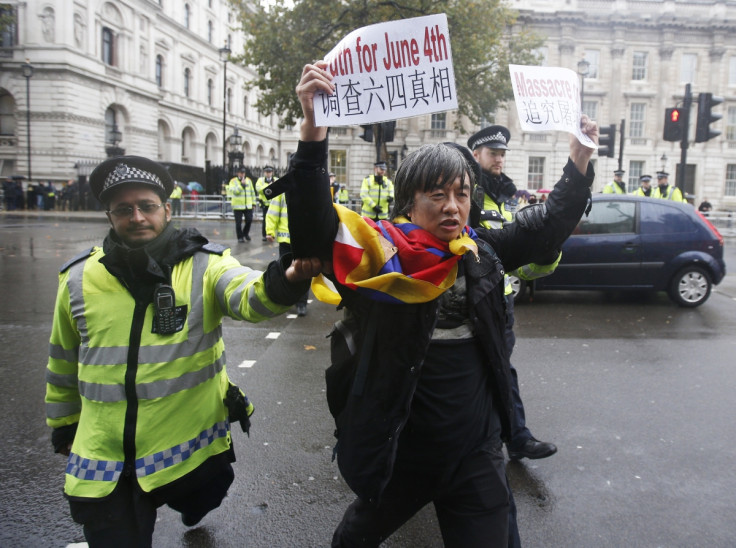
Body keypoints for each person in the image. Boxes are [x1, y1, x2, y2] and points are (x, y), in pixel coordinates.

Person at [283, 61, 598, 548]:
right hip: (401, 452)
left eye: (462, 194)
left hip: (475, 454)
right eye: (437, 194)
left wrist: (579, 159)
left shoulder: (483, 251)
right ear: (410, 203)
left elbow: (548, 224)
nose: (453, 206)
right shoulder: (375, 257)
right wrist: (313, 131)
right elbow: (311, 228)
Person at [44, 155, 320, 547]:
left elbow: (251, 299)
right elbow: (62, 361)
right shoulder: (76, 278)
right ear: (109, 216)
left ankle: (193, 503)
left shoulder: (205, 265)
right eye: (124, 209)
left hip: (187, 448)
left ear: (167, 210)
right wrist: (64, 426)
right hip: (105, 461)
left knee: (207, 496)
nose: (137, 217)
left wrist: (290, 277)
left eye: (147, 206)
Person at [467, 125, 559, 464]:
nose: (500, 159)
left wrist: (547, 252)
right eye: (494, 153)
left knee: (502, 370)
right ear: (475, 155)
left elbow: (520, 268)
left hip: (501, 303)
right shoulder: (466, 195)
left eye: (503, 153)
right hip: (468, 302)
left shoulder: (507, 199)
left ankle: (516, 438)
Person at [265, 193, 310, 317]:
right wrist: (270, 231)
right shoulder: (283, 187)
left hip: (305, 239)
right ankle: (285, 300)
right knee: (285, 272)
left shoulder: (311, 185)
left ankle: (301, 303)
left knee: (305, 271)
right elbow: (273, 211)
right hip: (286, 239)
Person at [227, 167, 255, 242]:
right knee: (238, 223)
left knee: (249, 220)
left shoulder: (248, 180)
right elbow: (234, 191)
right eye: (241, 173)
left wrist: (253, 203)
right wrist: (241, 186)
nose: (242, 174)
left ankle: (245, 233)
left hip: (248, 205)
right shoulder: (233, 181)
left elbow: (252, 192)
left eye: (243, 173)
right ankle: (240, 237)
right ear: (238, 173)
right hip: (237, 206)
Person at [255, 166, 277, 241]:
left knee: (274, 220)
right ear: (264, 173)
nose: (268, 174)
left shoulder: (276, 179)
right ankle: (265, 235)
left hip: (274, 204)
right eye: (267, 172)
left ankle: (272, 234)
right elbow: (259, 189)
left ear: (272, 172)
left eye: (269, 172)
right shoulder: (260, 180)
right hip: (265, 204)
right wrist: (268, 185)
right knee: (265, 220)